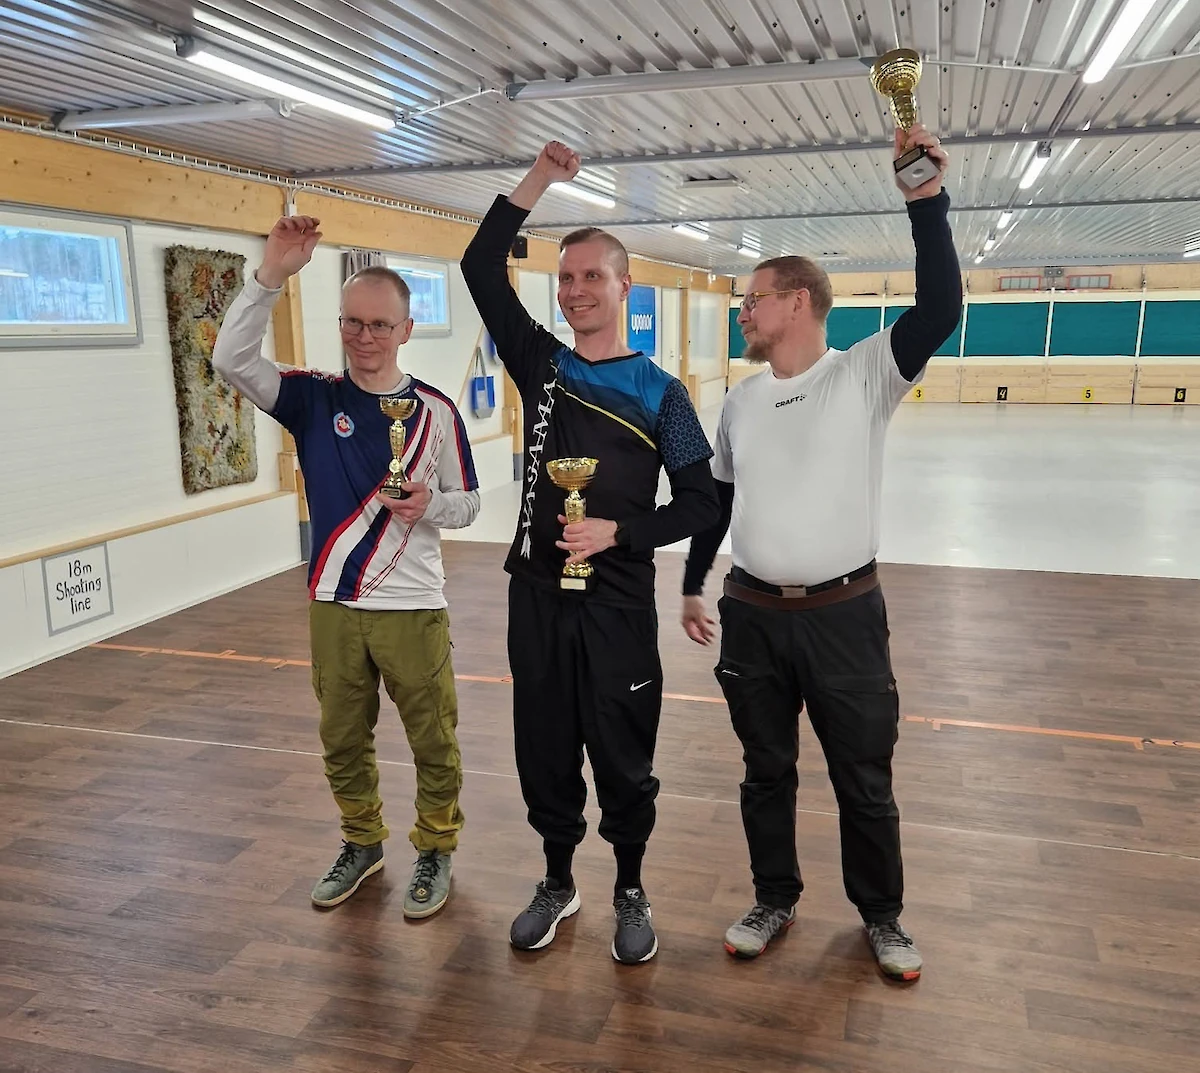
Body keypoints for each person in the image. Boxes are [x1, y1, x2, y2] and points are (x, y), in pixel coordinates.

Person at [680, 124, 961, 981]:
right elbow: (717, 499)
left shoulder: (864, 372)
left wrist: (925, 200)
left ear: (797, 301)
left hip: (844, 618)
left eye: (753, 299)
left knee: (863, 778)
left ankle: (882, 915)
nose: (744, 312)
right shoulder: (739, 400)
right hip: (752, 615)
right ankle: (774, 896)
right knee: (765, 772)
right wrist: (692, 582)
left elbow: (940, 311)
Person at [460, 141, 719, 964]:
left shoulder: (662, 393)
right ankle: (557, 879)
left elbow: (703, 502)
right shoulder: (542, 363)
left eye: (592, 277)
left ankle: (631, 887)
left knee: (622, 751)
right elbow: (477, 266)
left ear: (623, 286)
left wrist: (621, 532)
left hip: (617, 605)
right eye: (566, 279)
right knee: (543, 745)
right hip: (536, 597)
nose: (575, 291)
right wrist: (539, 180)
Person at [212, 214, 480, 919]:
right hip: (333, 603)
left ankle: (436, 848)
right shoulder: (312, 398)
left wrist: (429, 505)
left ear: (406, 329)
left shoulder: (436, 413)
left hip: (413, 607)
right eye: (353, 323)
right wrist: (271, 275)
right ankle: (362, 843)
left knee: (433, 740)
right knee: (341, 740)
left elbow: (470, 503)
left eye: (380, 325)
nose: (365, 336)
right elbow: (231, 359)